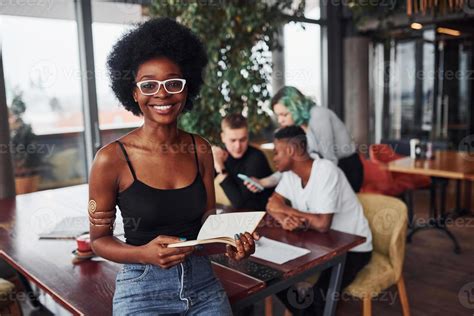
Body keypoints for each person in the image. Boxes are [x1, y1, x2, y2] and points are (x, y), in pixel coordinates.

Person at [87, 18, 258, 315]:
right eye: (149, 85)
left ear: (186, 88)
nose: (162, 94)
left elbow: (206, 223)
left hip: (203, 284)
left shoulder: (200, 149)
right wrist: (143, 254)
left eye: (173, 83)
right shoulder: (111, 159)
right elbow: (99, 241)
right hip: (142, 287)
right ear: (134, 92)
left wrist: (231, 245)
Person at [266, 126, 372, 316]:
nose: (273, 158)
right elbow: (272, 204)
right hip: (320, 246)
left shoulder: (325, 170)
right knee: (273, 278)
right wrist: (283, 220)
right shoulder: (290, 175)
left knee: (316, 301)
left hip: (353, 249)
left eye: (276, 152)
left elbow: (323, 224)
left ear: (291, 150)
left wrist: (286, 210)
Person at [247, 86, 364, 193]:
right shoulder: (300, 127)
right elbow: (294, 164)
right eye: (278, 115)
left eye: (284, 114)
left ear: (296, 107)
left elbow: (330, 162)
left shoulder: (318, 115)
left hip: (346, 169)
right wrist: (262, 182)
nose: (280, 120)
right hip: (329, 169)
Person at [212, 113, 274, 210]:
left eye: (243, 140)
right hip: (238, 214)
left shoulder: (256, 157)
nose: (238, 146)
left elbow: (239, 203)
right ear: (223, 137)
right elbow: (199, 190)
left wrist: (220, 167)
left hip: (264, 214)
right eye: (233, 140)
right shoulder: (219, 156)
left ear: (248, 136)